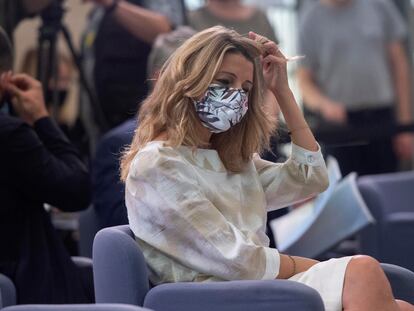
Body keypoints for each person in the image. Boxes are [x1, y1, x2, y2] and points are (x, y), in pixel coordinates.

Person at [120, 26, 414, 311]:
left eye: (245, 89)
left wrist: (283, 91)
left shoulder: (227, 157)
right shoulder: (159, 163)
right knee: (362, 272)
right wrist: (316, 267)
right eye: (224, 83)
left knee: (398, 304)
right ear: (188, 81)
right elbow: (238, 260)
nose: (236, 96)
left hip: (254, 287)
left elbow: (310, 178)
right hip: (215, 296)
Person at [0, 68, 93, 303]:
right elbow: (76, 191)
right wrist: (41, 117)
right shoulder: (10, 136)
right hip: (26, 291)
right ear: (6, 80)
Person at [92, 26, 196, 229]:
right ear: (161, 79)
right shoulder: (119, 144)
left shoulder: (218, 139)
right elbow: (121, 222)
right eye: (195, 78)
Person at [297, 0, 413, 176]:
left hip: (382, 118)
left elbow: (400, 67)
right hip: (339, 125)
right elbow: (304, 81)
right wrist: (323, 104)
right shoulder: (310, 17)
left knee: (386, 188)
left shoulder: (380, 6)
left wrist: (404, 124)